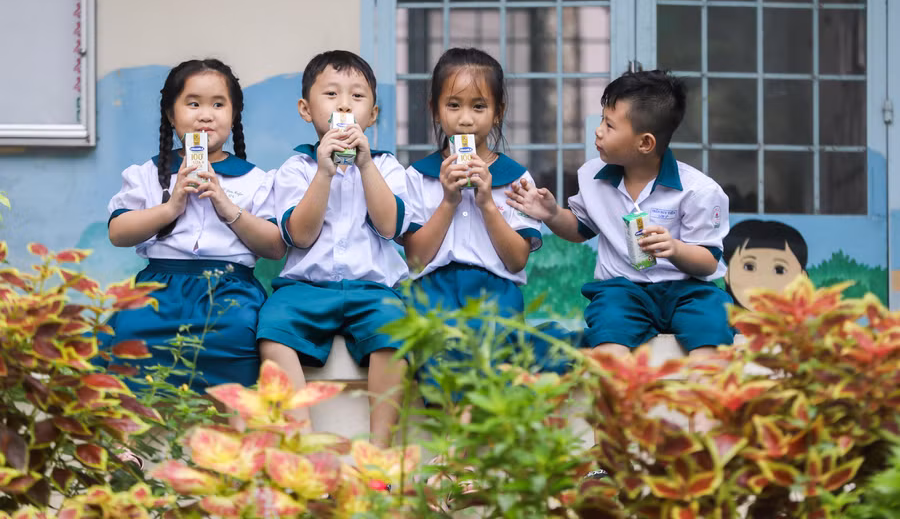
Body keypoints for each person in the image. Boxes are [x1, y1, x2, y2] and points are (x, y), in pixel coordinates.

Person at [507, 69, 734, 364]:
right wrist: (551, 214)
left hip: (687, 290)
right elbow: (580, 229)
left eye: (610, 125)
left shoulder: (698, 191)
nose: (598, 130)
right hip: (623, 289)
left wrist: (675, 249)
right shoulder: (592, 177)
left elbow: (708, 261)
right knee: (609, 326)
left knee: (712, 322)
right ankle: (615, 401)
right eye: (602, 119)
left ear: (645, 143)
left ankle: (706, 403)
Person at [404, 47, 578, 403]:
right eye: (453, 105)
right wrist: (449, 199)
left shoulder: (516, 180)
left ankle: (469, 446)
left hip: (496, 292)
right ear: (435, 111)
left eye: (479, 106)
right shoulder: (417, 177)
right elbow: (416, 259)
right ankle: (454, 443)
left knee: (492, 339)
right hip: (433, 292)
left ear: (498, 113)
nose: (465, 119)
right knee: (441, 341)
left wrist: (486, 202)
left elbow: (516, 260)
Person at [257, 50, 409, 448]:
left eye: (357, 97)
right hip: (306, 288)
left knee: (395, 335)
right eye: (331, 94)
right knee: (273, 330)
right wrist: (324, 171)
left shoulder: (388, 166)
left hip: (372, 290)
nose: (344, 104)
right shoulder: (296, 168)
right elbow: (300, 235)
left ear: (372, 115)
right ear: (306, 109)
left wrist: (365, 166)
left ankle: (378, 455)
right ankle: (302, 447)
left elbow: (390, 226)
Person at [106, 58, 284, 392]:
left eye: (218, 104)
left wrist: (225, 204)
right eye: (193, 104)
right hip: (159, 287)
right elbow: (118, 232)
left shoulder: (256, 180)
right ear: (172, 115)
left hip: (231, 288)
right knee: (128, 328)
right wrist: (171, 206)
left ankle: (233, 432)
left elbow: (274, 247)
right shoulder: (147, 173)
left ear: (233, 116)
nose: (206, 114)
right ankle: (129, 439)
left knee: (239, 329)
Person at [723, 219, 808, 309]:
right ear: (727, 273)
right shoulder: (717, 320)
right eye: (749, 267)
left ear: (803, 277)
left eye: (779, 270)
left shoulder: (811, 321)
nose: (762, 280)